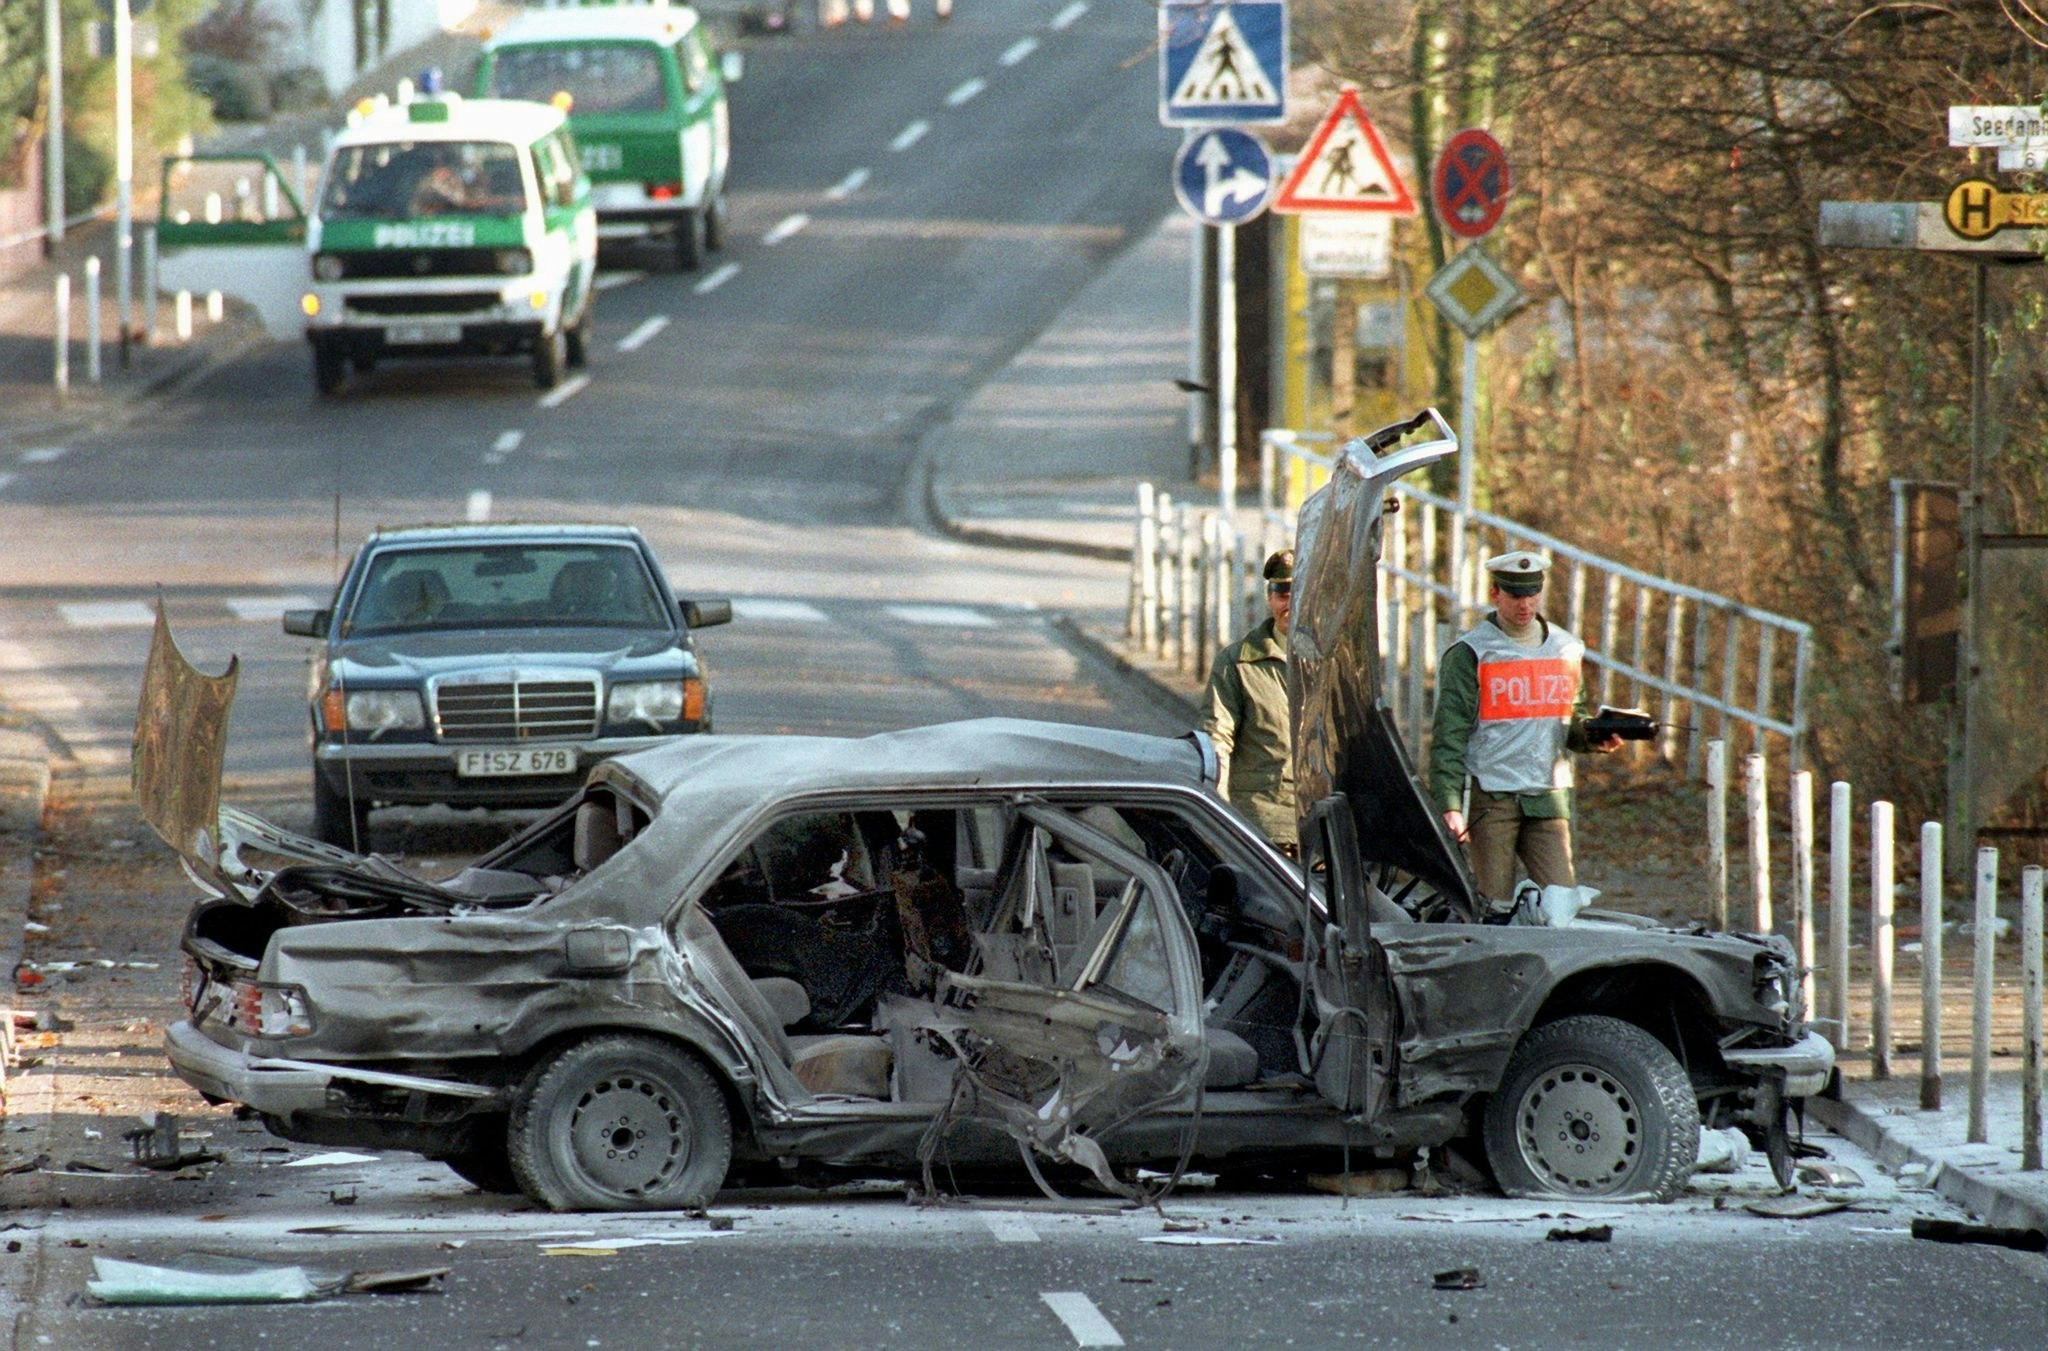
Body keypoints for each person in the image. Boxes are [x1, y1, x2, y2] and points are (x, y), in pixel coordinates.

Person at [1429, 550, 1623, 904]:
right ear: (1495, 594)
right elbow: (1449, 734)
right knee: (1493, 908)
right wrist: (1450, 803)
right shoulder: (1471, 652)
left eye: (1533, 594)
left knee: (1562, 905)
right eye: (1516, 595)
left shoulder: (1565, 649)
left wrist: (1596, 736)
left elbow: (1569, 719)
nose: (1526, 604)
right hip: (1493, 797)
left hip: (1547, 797)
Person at [1199, 550, 1297, 855]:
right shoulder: (1237, 663)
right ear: (1269, 598)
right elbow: (1217, 740)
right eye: (1282, 592)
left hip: (1323, 833)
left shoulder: (1333, 662)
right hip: (1261, 830)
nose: (1290, 602)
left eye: (1299, 590)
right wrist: (1221, 817)